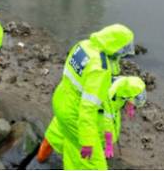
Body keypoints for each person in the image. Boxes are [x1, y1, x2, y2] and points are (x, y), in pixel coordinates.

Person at [37, 24, 135, 170]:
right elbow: (87, 107)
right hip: (74, 113)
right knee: (91, 163)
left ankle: (40, 159)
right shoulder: (100, 69)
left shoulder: (83, 45)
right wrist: (88, 141)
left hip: (61, 99)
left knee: (57, 133)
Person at [37, 76, 147, 165]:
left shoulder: (120, 83)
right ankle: (41, 159)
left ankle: (41, 159)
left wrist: (130, 106)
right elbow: (107, 123)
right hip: (84, 120)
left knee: (53, 136)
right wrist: (108, 145)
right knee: (60, 141)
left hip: (73, 112)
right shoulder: (108, 96)